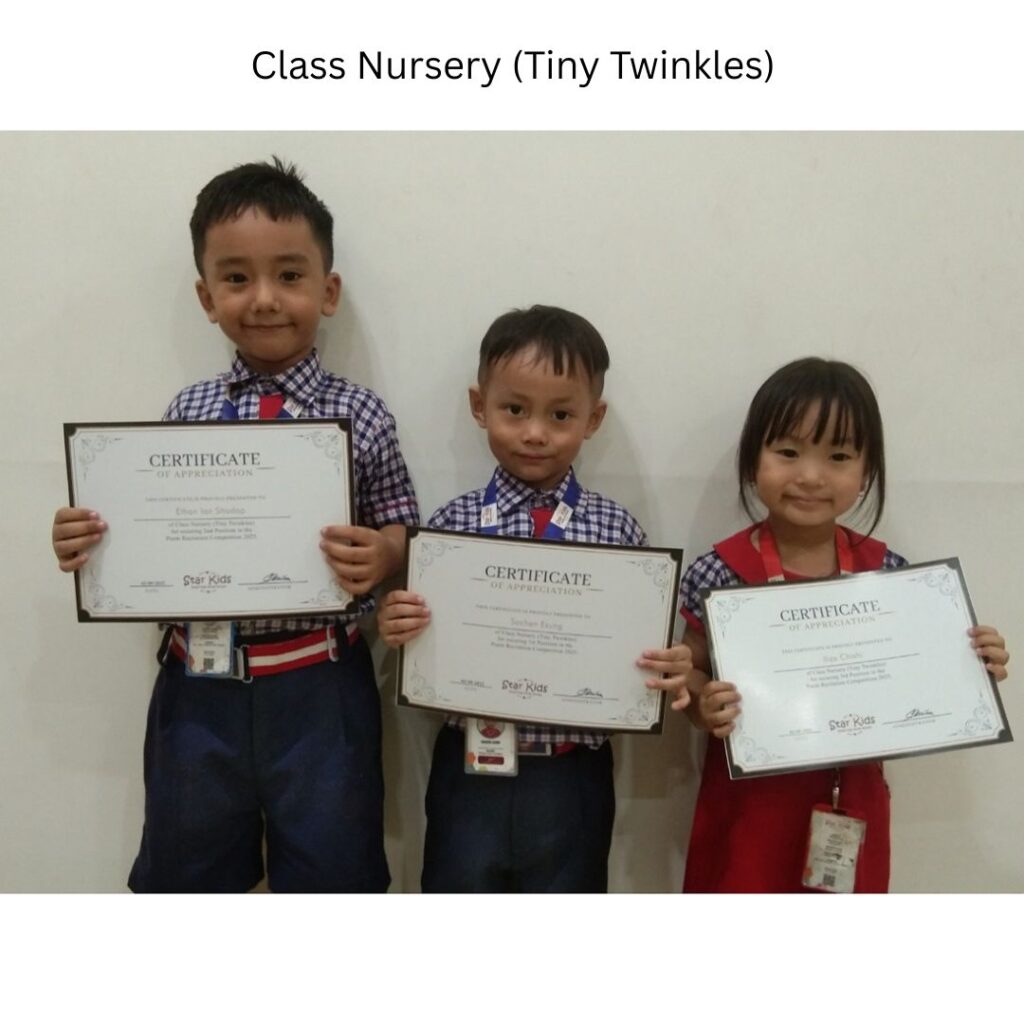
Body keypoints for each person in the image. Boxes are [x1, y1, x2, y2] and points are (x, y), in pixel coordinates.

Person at [50, 157, 420, 892]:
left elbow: (403, 529)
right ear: (206, 296)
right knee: (187, 878)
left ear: (328, 290)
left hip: (321, 687)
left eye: (290, 274)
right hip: (198, 688)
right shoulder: (186, 411)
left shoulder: (363, 414)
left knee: (334, 879)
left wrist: (384, 553)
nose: (265, 298)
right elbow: (145, 532)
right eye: (237, 277)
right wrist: (90, 542)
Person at [378, 304, 692, 893]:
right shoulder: (447, 530)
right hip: (469, 765)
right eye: (514, 409)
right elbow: (421, 644)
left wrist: (665, 664)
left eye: (561, 414)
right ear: (480, 406)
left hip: (572, 776)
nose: (535, 432)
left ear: (594, 418)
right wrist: (399, 623)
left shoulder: (619, 533)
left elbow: (638, 647)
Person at [677, 357, 1010, 892]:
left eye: (838, 457)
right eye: (788, 453)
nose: (810, 477)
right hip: (748, 804)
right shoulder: (719, 572)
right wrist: (701, 702)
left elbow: (923, 679)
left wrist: (972, 665)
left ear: (866, 471)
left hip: (852, 799)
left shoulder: (891, 575)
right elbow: (689, 671)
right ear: (752, 460)